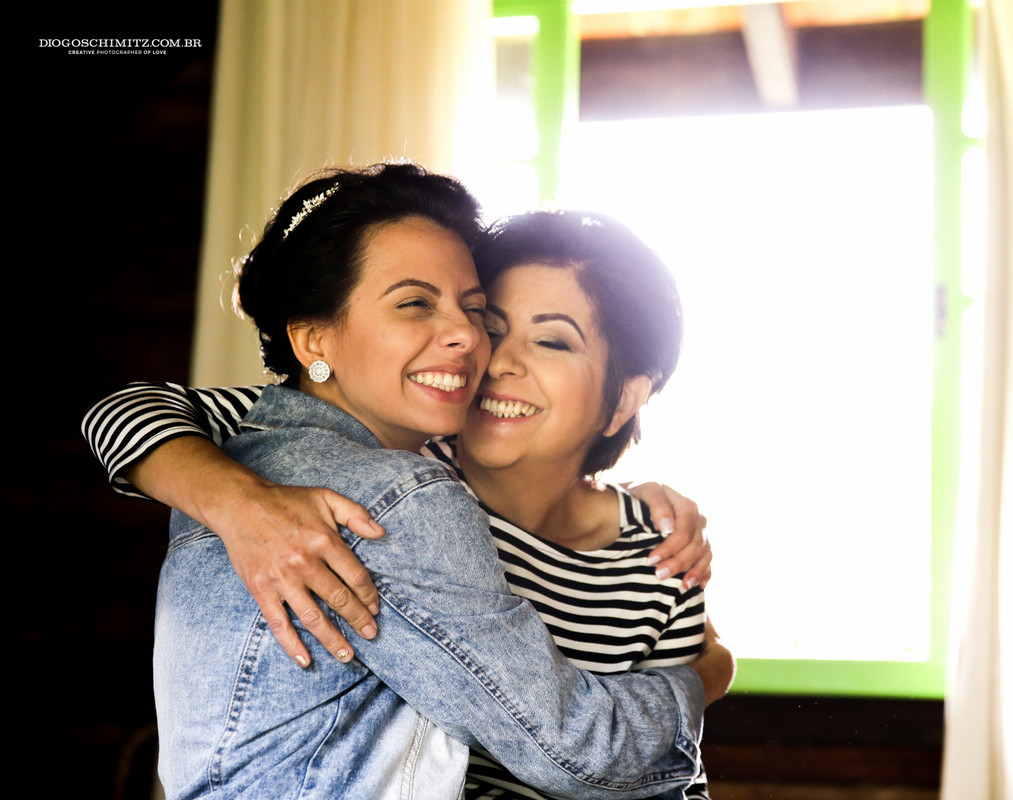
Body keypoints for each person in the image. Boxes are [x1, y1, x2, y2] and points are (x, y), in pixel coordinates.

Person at [98, 161, 733, 799]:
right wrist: (243, 505)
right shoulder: (404, 483)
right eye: (416, 305)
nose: (475, 346)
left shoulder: (659, 549)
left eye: (474, 313)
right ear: (314, 340)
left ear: (624, 400)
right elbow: (123, 412)